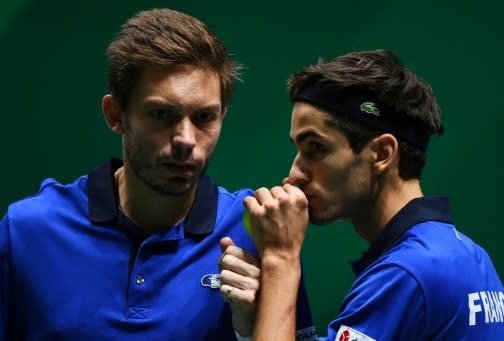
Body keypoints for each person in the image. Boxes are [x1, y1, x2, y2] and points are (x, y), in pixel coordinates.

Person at [0, 8, 317, 340]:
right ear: (115, 114)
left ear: (223, 116)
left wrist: (250, 333)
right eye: (162, 114)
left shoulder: (260, 231)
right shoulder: (28, 230)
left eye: (205, 118)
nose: (185, 139)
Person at [219, 49, 504, 340]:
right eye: (298, 149)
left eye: (317, 148)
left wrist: (280, 260)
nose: (294, 172)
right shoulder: (467, 256)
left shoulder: (406, 274)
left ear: (382, 153)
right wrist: (256, 321)